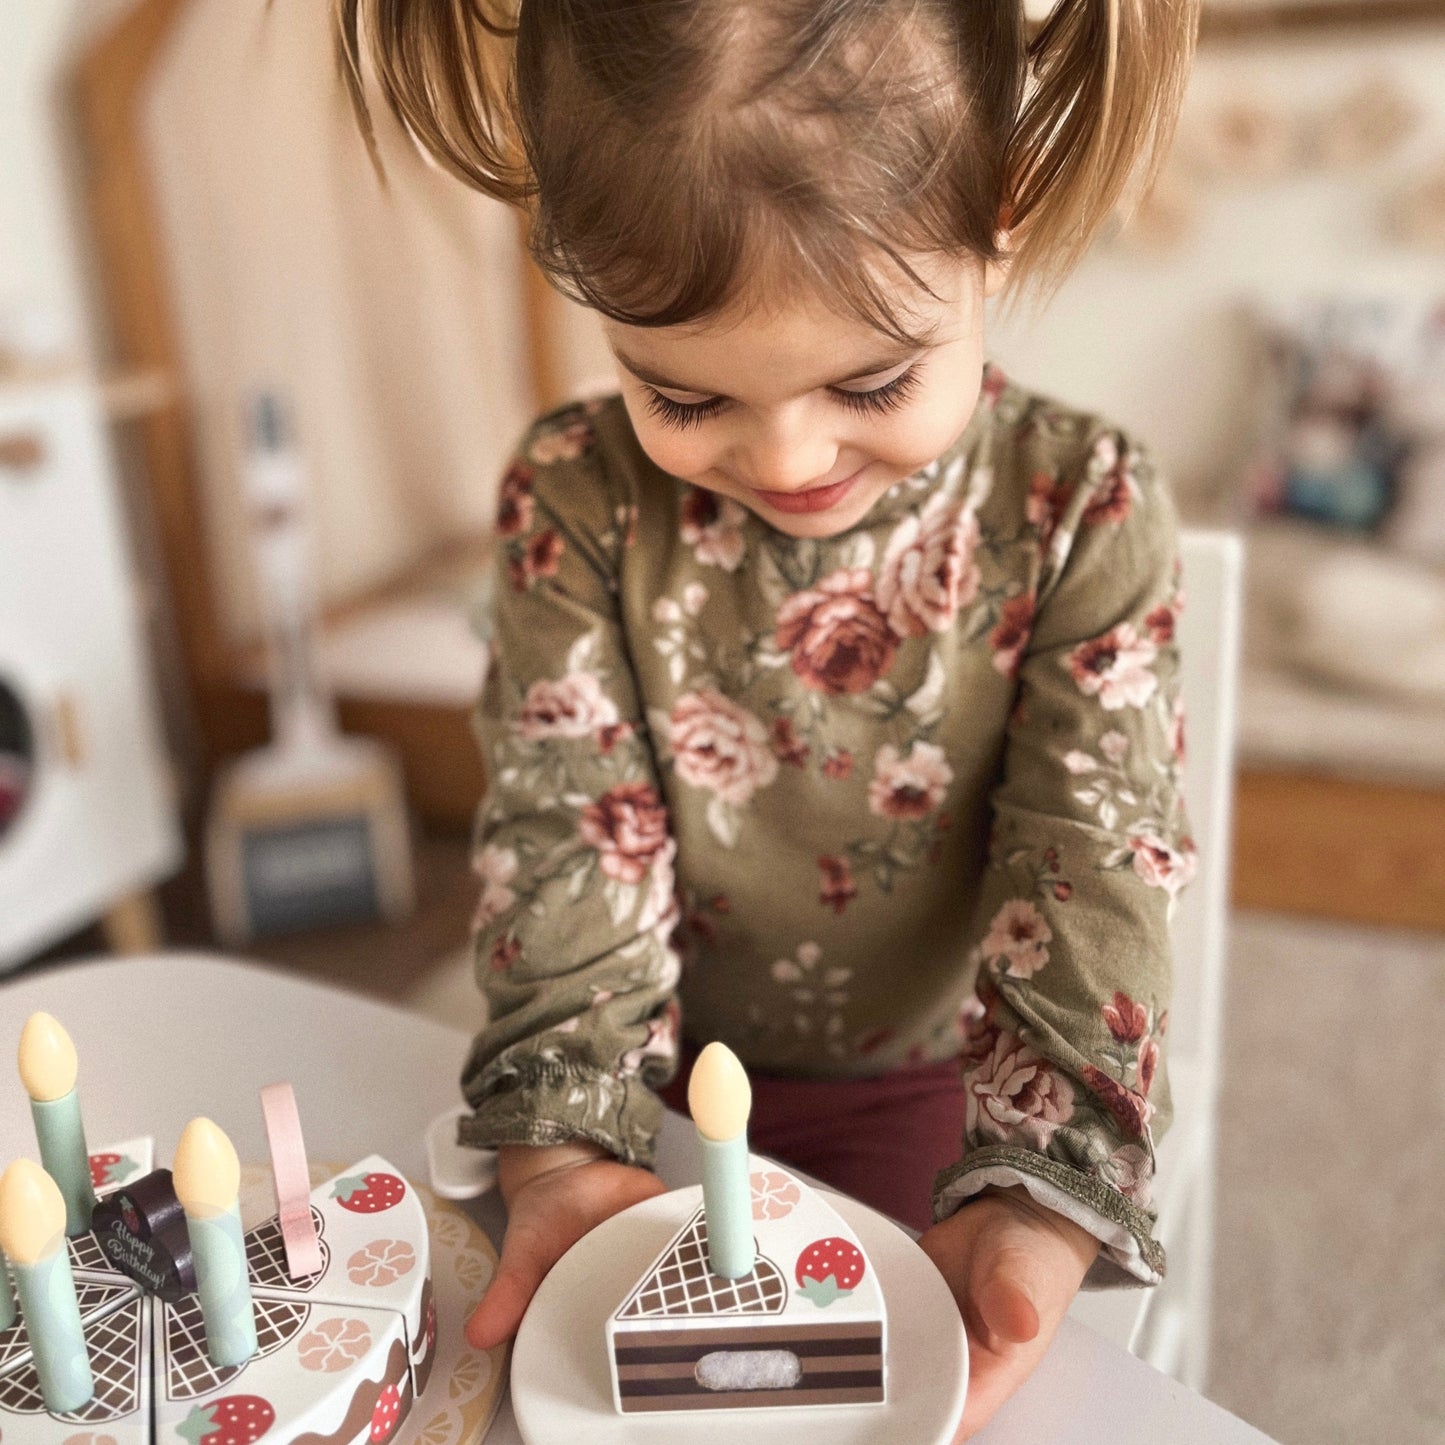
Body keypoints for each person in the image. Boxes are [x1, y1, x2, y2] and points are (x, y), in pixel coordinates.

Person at [337, 1, 1199, 1433]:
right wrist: (560, 1143)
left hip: (940, 1094)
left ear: (1002, 204)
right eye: (682, 396)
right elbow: (569, 833)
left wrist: (1040, 1196)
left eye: (873, 381)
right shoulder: (575, 496)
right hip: (641, 1078)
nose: (789, 457)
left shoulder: (1079, 508)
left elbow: (1090, 859)